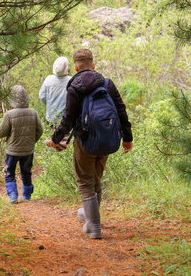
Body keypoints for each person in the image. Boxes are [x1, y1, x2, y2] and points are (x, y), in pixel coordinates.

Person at [45, 48, 132, 239]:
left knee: (85, 182)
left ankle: (93, 226)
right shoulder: (108, 84)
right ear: (93, 65)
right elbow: (121, 110)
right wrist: (127, 138)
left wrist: (55, 139)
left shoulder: (75, 86)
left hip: (85, 142)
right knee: (96, 179)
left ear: (76, 67)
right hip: (107, 140)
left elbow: (68, 118)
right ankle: (88, 213)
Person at [0, 84, 45, 203]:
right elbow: (40, 130)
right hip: (28, 151)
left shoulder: (9, 114)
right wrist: (31, 141)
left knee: (9, 173)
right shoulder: (33, 112)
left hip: (12, 152)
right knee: (26, 172)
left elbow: (0, 132)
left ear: (11, 98)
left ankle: (13, 196)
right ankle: (26, 196)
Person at [38, 56, 71, 130]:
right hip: (65, 119)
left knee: (51, 140)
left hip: (50, 119)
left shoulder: (48, 79)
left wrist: (50, 104)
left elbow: (42, 96)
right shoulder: (71, 80)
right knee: (64, 141)